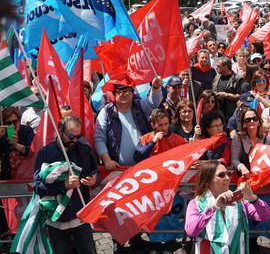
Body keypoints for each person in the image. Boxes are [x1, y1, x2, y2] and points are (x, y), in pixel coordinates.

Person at [33, 116, 99, 254]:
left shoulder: (84, 150)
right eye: (71, 136)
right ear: (59, 132)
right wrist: (63, 185)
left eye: (78, 136)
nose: (75, 140)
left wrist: (93, 181)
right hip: (57, 221)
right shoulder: (45, 153)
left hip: (81, 217)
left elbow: (95, 172)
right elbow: (38, 186)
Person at [184, 160, 270, 254]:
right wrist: (214, 207)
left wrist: (252, 198)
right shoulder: (196, 203)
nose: (227, 178)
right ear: (207, 181)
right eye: (221, 175)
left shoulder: (239, 201)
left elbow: (266, 215)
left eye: (228, 173)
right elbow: (191, 231)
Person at [94, 78, 162, 170]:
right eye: (119, 92)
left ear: (132, 93)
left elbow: (153, 104)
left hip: (144, 166)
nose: (123, 95)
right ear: (114, 94)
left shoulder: (140, 106)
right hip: (118, 169)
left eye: (126, 91)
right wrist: (107, 160)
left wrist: (156, 88)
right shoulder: (106, 112)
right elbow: (99, 138)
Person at [231, 108, 270, 175]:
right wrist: (241, 167)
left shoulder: (267, 139)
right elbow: (234, 160)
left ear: (259, 121)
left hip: (262, 175)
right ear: (244, 123)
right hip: (244, 177)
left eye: (255, 118)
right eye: (248, 120)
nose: (252, 121)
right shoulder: (238, 138)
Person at [0, 107, 35, 180]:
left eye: (15, 121)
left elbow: (31, 151)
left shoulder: (27, 131)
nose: (12, 125)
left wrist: (16, 145)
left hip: (26, 176)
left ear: (19, 120)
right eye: (8, 123)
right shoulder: (2, 135)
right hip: (8, 177)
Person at [213, 56, 243, 122]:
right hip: (218, 113)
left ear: (226, 67)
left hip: (232, 113)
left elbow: (240, 96)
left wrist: (226, 95)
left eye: (218, 66)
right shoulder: (217, 77)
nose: (216, 68)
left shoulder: (237, 79)